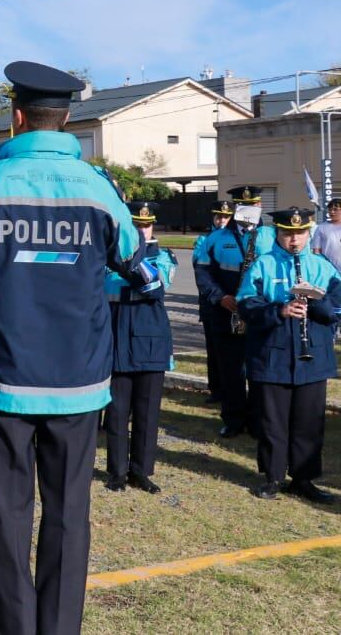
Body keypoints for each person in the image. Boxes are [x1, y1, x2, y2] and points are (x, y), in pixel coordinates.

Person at [0, 61, 144, 635]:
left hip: (3, 377)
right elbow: (133, 257)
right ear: (68, 119)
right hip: (77, 380)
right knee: (69, 512)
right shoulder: (100, 189)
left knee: (8, 514)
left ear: (17, 117)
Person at [237, 207, 340, 503]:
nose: (293, 240)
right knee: (273, 420)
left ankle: (304, 478)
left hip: (313, 356)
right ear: (277, 234)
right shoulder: (263, 264)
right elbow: (246, 304)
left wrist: (315, 304)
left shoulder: (322, 265)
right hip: (272, 354)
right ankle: (273, 477)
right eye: (287, 233)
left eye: (299, 233)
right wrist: (279, 310)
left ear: (308, 233)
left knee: (309, 421)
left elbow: (338, 305)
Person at [104, 201, 177, 495]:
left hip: (150, 339)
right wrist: (132, 279)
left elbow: (156, 287)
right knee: (118, 411)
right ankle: (118, 471)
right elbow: (104, 288)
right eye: (135, 225)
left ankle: (142, 471)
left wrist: (130, 271)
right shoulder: (108, 255)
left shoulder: (165, 256)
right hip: (116, 336)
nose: (141, 230)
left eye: (146, 225)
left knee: (147, 413)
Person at [193, 186, 276, 438]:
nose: (248, 212)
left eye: (253, 207)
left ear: (259, 207)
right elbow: (203, 273)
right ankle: (234, 419)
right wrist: (220, 297)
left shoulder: (272, 235)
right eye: (243, 207)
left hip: (260, 314)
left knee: (261, 370)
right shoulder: (215, 238)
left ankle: (260, 421)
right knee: (230, 371)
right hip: (226, 312)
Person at [192, 200, 232, 404]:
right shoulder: (203, 240)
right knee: (214, 349)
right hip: (211, 303)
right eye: (218, 216)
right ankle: (216, 389)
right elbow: (200, 268)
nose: (222, 220)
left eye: (226, 216)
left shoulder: (238, 239)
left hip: (233, 303)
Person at [310, 197, 341, 271]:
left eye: (335, 209)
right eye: (330, 210)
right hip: (329, 269)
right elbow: (316, 251)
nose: (332, 212)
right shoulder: (321, 227)